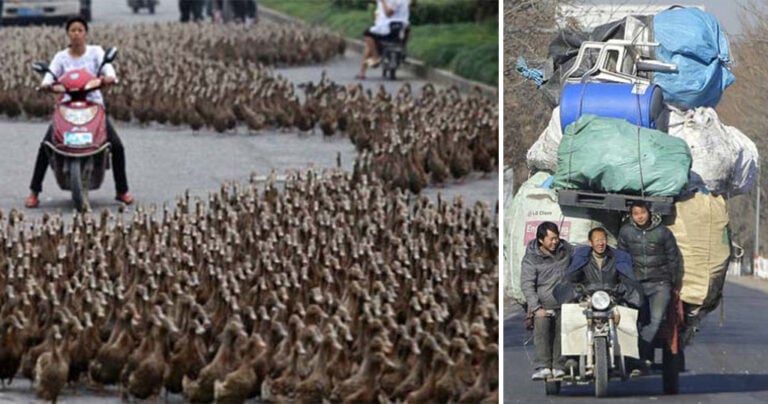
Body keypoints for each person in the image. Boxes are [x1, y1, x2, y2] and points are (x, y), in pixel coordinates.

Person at [26, 17, 133, 208]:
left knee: (117, 146)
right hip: (66, 106)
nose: (76, 34)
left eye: (80, 30)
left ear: (86, 33)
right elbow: (49, 76)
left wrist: (108, 78)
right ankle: (34, 191)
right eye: (73, 30)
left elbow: (109, 71)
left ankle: (122, 191)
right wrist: (46, 85)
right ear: (68, 34)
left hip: (93, 105)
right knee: (46, 146)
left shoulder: (96, 52)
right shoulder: (61, 57)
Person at [617, 201, 680, 369]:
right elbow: (622, 258)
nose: (640, 217)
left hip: (660, 283)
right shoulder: (626, 232)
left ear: (649, 213)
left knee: (656, 321)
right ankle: (633, 356)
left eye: (642, 213)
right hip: (636, 284)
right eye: (636, 214)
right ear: (631, 216)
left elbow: (673, 258)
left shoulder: (663, 232)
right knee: (634, 321)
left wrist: (672, 281)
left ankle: (637, 355)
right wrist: (625, 281)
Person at [520, 221, 573, 380]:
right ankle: (543, 366)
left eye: (556, 238)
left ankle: (559, 365)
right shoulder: (531, 259)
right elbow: (527, 285)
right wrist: (536, 308)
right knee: (542, 328)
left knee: (564, 329)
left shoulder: (566, 249)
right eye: (551, 239)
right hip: (543, 304)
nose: (555, 242)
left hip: (565, 301)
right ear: (541, 240)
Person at [557, 227, 644, 309]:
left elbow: (627, 281)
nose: (600, 243)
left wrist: (619, 289)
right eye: (597, 240)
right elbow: (571, 279)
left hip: (613, 301)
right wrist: (580, 290)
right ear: (590, 242)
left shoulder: (618, 258)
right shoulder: (582, 258)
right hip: (588, 301)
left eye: (603, 240)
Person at [356, 0, 410, 79]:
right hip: (402, 28)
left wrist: (383, 2)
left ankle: (375, 57)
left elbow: (389, 13)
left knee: (367, 35)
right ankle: (362, 71)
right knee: (370, 43)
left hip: (389, 28)